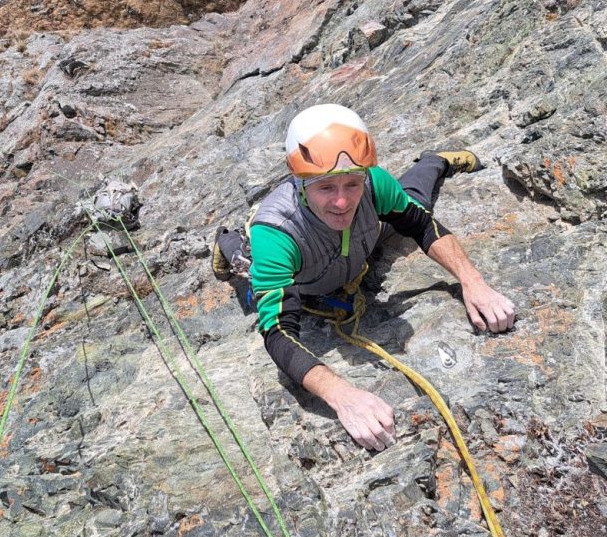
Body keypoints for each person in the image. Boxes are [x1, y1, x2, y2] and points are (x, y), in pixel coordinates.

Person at [213, 104, 516, 452]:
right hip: (304, 272)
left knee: (413, 202)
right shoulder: (277, 233)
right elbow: (279, 332)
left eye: (351, 183)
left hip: (361, 243)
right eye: (325, 187)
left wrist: (472, 281)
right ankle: (227, 240)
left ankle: (436, 160)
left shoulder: (372, 186)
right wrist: (341, 396)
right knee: (245, 263)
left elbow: (420, 224)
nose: (342, 201)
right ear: (299, 181)